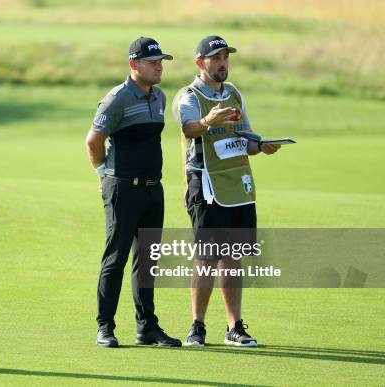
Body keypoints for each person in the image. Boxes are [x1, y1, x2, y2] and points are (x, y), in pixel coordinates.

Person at [176, 36, 281, 347]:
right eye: (215, 58)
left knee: (233, 258)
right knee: (207, 258)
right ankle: (197, 326)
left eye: (225, 57)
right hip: (207, 185)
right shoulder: (189, 95)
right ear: (200, 63)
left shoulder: (234, 93)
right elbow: (188, 128)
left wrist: (261, 147)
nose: (222, 63)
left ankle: (234, 327)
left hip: (239, 186)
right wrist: (207, 121)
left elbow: (245, 139)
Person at [85, 37, 181, 348]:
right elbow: (93, 141)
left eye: (161, 61)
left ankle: (146, 328)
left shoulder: (160, 97)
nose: (159, 66)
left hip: (154, 190)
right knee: (116, 258)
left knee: (148, 260)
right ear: (133, 65)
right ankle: (105, 327)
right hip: (123, 188)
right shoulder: (117, 99)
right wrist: (103, 175)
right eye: (153, 62)